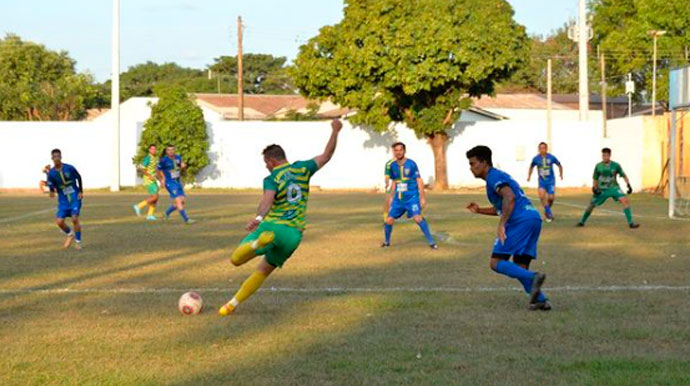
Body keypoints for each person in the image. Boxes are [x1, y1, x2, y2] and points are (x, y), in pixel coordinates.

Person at [219, 118, 344, 316]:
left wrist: (259, 218)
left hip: (272, 227)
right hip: (293, 235)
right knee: (262, 271)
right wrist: (335, 131)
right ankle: (231, 305)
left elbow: (267, 200)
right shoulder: (303, 168)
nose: (266, 167)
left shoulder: (272, 178)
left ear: (271, 161)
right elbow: (327, 155)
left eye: (266, 163)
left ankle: (255, 245)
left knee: (236, 260)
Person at [465, 145, 550, 311]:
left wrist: (502, 224)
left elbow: (509, 197)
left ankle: (534, 277)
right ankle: (540, 300)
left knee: (496, 262)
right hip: (532, 218)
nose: (471, 168)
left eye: (473, 163)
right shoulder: (498, 177)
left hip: (519, 221)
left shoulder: (493, 177)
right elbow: (503, 206)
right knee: (520, 267)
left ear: (484, 163)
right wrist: (480, 210)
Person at [381, 142, 437, 249]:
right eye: (396, 150)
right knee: (389, 220)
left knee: (418, 218)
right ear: (393, 152)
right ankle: (386, 242)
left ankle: (431, 242)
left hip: (412, 198)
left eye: (400, 150)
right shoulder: (392, 166)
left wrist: (422, 197)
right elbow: (394, 183)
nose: (398, 152)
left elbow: (419, 180)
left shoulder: (411, 164)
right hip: (399, 199)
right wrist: (391, 197)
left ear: (404, 151)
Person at [577, 148, 640, 228]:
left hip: (614, 188)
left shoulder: (616, 165)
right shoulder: (598, 166)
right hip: (602, 189)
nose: (604, 157)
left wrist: (628, 185)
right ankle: (582, 221)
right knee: (591, 205)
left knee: (625, 200)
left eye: (606, 155)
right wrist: (594, 188)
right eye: (603, 155)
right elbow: (595, 178)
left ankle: (631, 223)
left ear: (610, 156)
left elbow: (623, 175)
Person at [45, 149, 84, 250]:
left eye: (58, 156)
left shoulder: (69, 168)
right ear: (52, 158)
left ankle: (78, 242)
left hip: (74, 196)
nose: (57, 158)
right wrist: (51, 192)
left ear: (61, 157)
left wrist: (80, 191)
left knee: (75, 218)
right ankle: (70, 234)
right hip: (63, 200)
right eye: (55, 157)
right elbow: (51, 188)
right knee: (59, 222)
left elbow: (78, 177)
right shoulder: (52, 173)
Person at [157, 145, 194, 224]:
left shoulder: (178, 158)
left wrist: (183, 167)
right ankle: (187, 219)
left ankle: (166, 213)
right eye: (169, 150)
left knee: (182, 201)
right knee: (179, 201)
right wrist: (161, 180)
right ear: (166, 151)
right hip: (169, 182)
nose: (171, 151)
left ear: (175, 150)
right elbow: (158, 170)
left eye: (172, 149)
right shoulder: (163, 160)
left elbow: (179, 168)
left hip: (177, 182)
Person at [527, 142, 563, 222]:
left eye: (544, 148)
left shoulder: (551, 157)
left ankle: (547, 210)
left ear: (546, 149)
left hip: (550, 181)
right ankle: (549, 213)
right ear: (538, 149)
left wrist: (561, 174)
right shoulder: (536, 159)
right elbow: (531, 166)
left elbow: (559, 165)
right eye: (541, 148)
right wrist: (529, 176)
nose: (542, 150)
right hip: (541, 181)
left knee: (551, 198)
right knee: (542, 196)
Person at [133, 144, 160, 221]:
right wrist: (149, 175)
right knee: (155, 197)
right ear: (149, 150)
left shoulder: (154, 158)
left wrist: (157, 177)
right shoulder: (148, 158)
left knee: (155, 198)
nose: (154, 150)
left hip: (153, 180)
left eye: (155, 149)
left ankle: (150, 215)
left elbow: (155, 169)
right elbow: (141, 168)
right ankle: (138, 206)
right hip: (149, 180)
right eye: (152, 149)